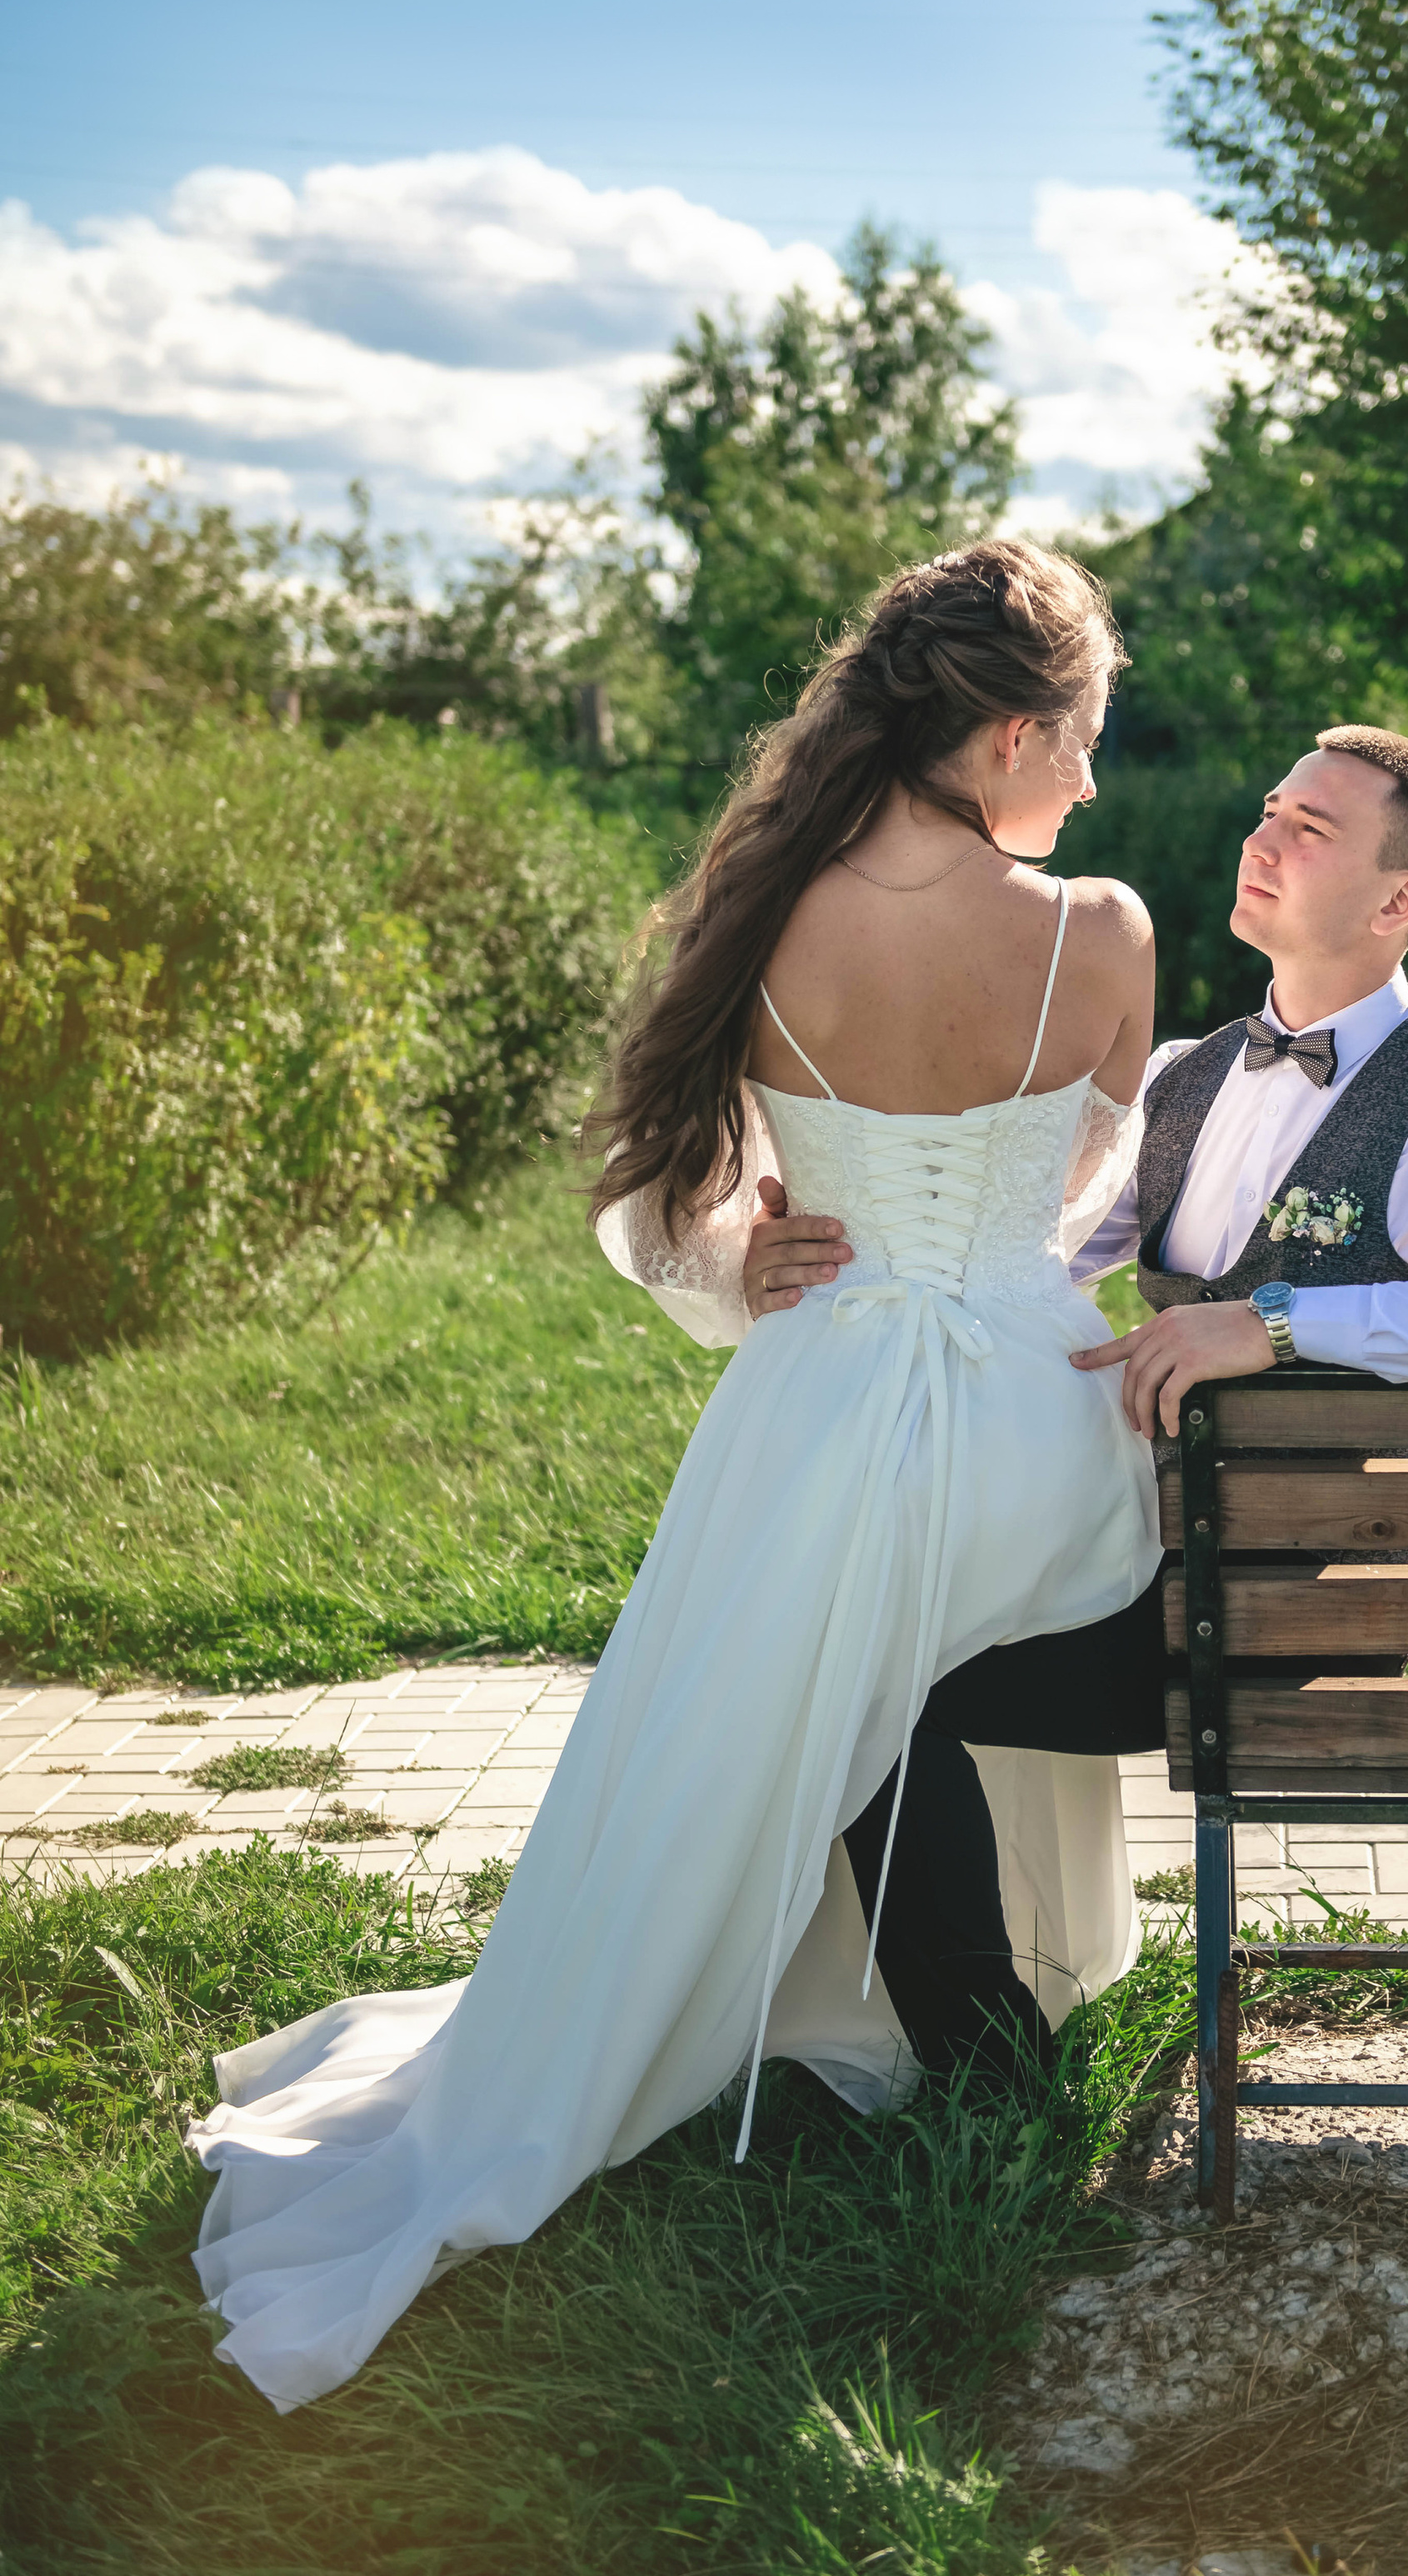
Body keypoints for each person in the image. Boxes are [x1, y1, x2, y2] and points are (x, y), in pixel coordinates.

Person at [187, 541, 1161, 2413]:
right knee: (959, 1629)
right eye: (1085, 742)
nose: (1093, 788)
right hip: (1038, 1415)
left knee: (790, 1659)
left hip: (825, 1395)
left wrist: (749, 1257)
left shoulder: (761, 914)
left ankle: (845, 2006)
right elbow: (1084, 1218)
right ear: (1016, 730)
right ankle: (957, 2014)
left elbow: (658, 1199)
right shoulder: (1100, 931)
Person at [741, 722, 1408, 2081]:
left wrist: (1274, 1322)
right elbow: (1012, 1266)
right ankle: (982, 2064)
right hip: (1140, 1574)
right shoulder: (1183, 1081)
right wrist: (804, 1241)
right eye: (1272, 808)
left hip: (1285, 1613)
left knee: (863, 1681)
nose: (1264, 836)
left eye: (1311, 830)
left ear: (1400, 903)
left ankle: (991, 2089)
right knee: (851, 1643)